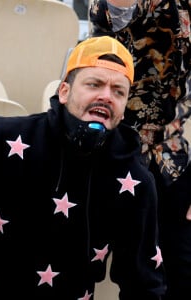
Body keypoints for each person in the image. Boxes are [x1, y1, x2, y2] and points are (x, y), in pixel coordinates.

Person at [0, 36, 166, 299]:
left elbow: (143, 282)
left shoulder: (135, 178)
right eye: (94, 84)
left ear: (123, 109)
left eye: (118, 91)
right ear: (64, 92)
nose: (106, 96)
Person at [88, 1, 191, 299]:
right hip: (104, 153)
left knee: (176, 278)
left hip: (173, 161)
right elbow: (111, 14)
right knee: (72, 270)